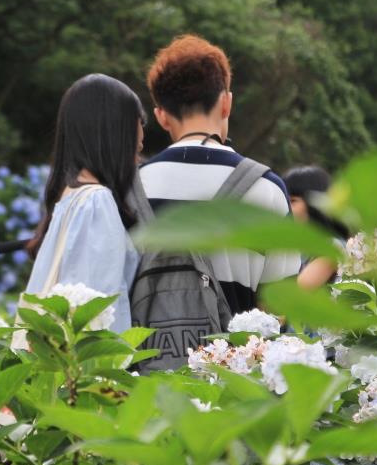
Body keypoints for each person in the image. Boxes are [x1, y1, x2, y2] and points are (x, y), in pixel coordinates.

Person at [139, 35, 299, 315]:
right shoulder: (267, 188)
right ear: (226, 104)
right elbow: (279, 309)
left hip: (148, 345)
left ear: (161, 116)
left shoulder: (133, 187)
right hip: (238, 344)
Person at [23, 73, 145, 334]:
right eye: (135, 150)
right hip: (88, 357)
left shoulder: (72, 197)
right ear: (113, 135)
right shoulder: (96, 203)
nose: (138, 159)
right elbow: (96, 311)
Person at [283, 166, 350, 290]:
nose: (284, 206)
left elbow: (293, 294)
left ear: (314, 204)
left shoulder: (331, 248)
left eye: (292, 201)